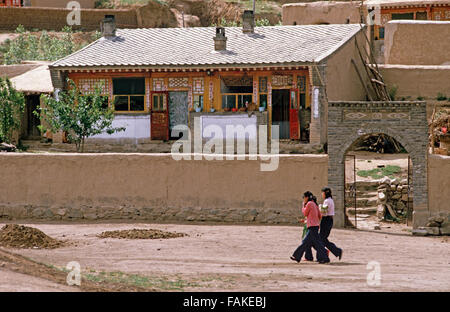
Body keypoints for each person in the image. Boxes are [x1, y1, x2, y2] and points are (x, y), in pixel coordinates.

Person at [290, 191, 330, 264]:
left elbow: (305, 213)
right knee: (317, 244)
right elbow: (319, 215)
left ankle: (297, 256)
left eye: (304, 198)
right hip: (315, 226)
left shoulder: (308, 204)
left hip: (311, 226)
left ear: (307, 197)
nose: (303, 199)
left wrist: (303, 206)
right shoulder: (314, 204)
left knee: (305, 242)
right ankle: (324, 257)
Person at [304, 187, 343, 261]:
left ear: (325, 193)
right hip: (329, 220)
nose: (322, 194)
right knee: (323, 239)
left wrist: (319, 209)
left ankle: (323, 256)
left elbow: (324, 213)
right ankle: (336, 251)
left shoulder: (327, 201)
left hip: (326, 221)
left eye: (322, 193)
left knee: (321, 239)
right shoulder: (330, 200)